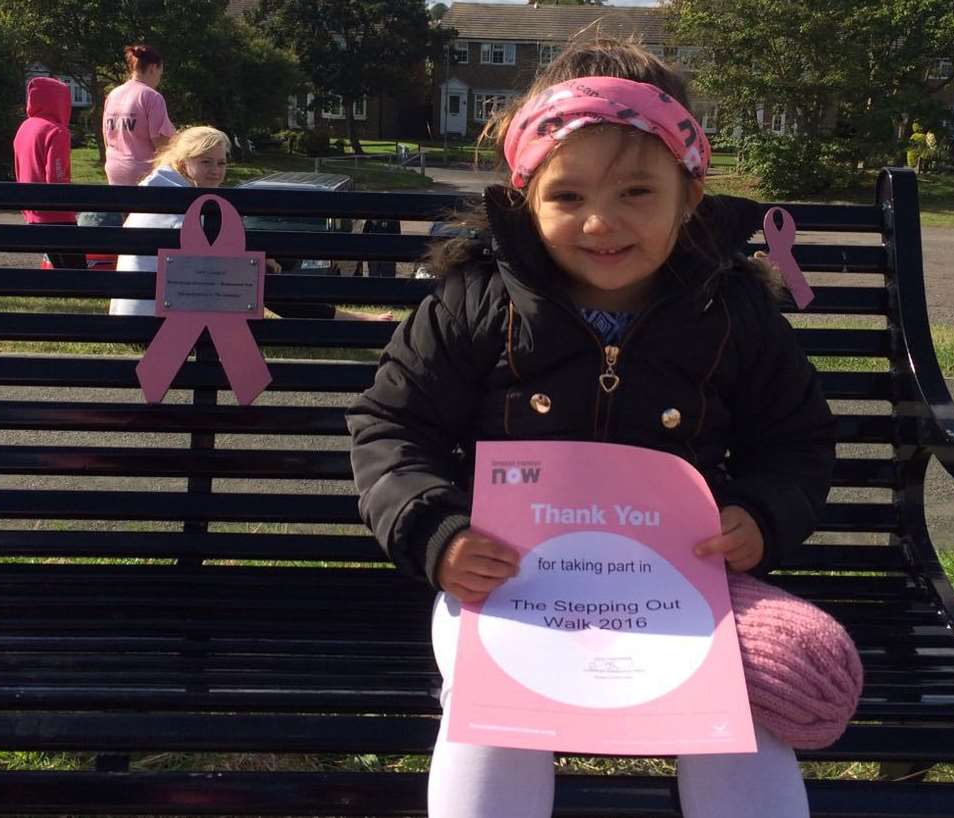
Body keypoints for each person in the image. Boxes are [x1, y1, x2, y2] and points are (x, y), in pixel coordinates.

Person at [347, 38, 862, 818]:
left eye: (635, 193)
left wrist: (761, 515)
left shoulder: (732, 312)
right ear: (526, 198)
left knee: (743, 731)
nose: (600, 221)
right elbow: (391, 425)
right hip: (509, 578)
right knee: (490, 717)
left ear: (689, 195)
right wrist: (438, 532)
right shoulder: (478, 302)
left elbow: (796, 438)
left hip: (681, 585)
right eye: (567, 196)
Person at [110, 126, 392, 322]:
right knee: (257, 280)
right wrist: (257, 261)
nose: (216, 171)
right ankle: (350, 319)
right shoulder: (178, 204)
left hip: (136, 312)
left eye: (221, 163)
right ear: (184, 165)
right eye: (206, 162)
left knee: (254, 275)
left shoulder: (162, 192)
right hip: (155, 321)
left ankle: (345, 317)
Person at [12, 76, 85, 270]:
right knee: (78, 273)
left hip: (32, 211)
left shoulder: (25, 128)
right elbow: (57, 178)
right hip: (57, 215)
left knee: (58, 268)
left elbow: (19, 168)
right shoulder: (57, 132)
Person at [102, 44, 176, 187]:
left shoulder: (114, 94)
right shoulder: (152, 97)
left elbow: (107, 137)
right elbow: (160, 143)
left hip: (114, 167)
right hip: (143, 173)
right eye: (161, 72)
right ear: (154, 68)